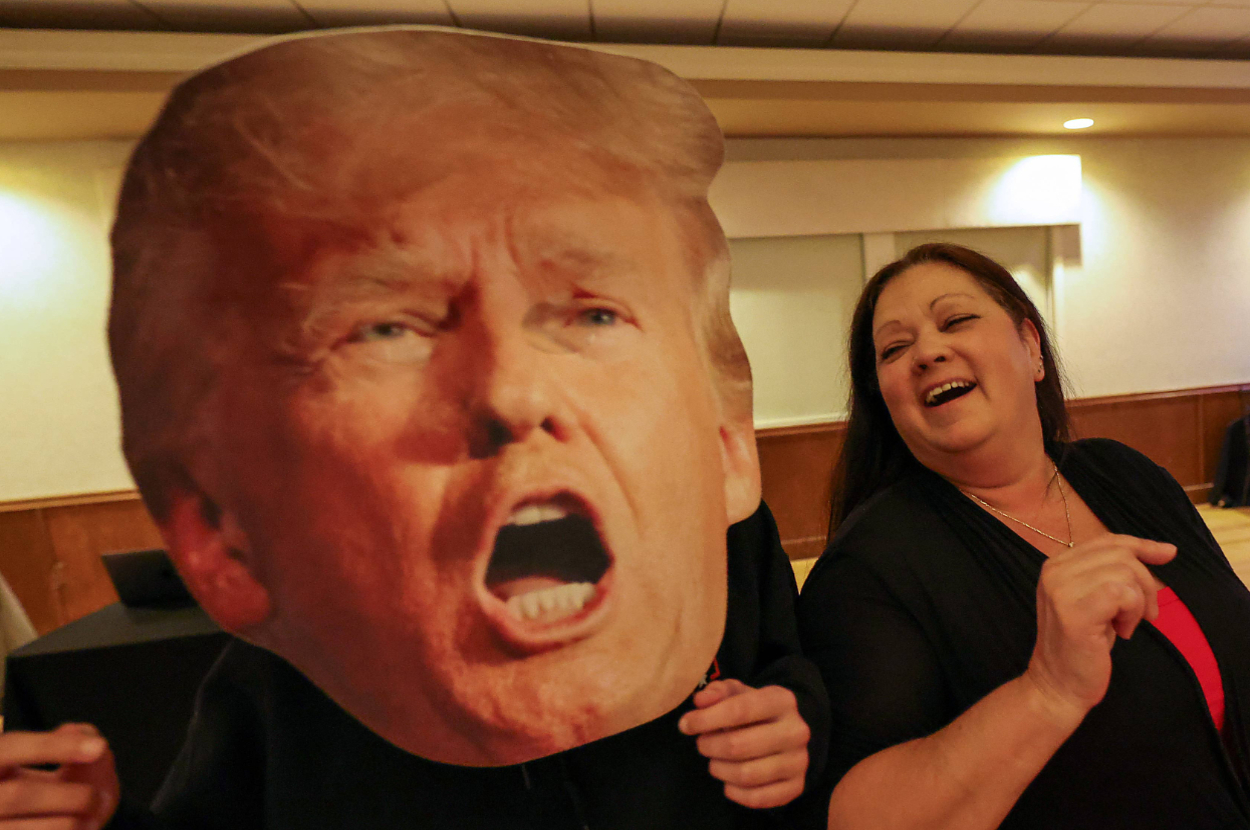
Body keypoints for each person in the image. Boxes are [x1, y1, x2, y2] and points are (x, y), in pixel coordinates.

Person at [0, 29, 827, 829]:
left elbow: (790, 675)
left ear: (728, 446)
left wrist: (795, 723)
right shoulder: (280, 692)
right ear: (225, 541)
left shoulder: (730, 550)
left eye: (593, 314)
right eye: (386, 331)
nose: (511, 390)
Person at [798, 242, 1250, 828]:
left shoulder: (1123, 473)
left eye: (955, 320)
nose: (928, 352)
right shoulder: (868, 569)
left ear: (1032, 347)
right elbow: (853, 818)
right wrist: (1047, 691)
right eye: (894, 349)